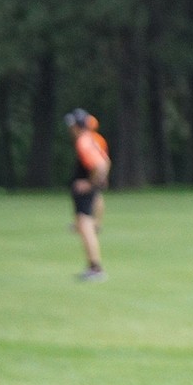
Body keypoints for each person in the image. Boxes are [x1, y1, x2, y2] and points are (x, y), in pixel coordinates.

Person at [65, 108, 111, 281]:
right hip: (90, 188)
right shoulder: (92, 139)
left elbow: (100, 164)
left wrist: (90, 183)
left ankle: (95, 267)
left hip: (84, 190)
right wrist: (99, 180)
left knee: (85, 225)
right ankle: (94, 266)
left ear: (78, 126)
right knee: (86, 223)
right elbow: (105, 162)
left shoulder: (83, 142)